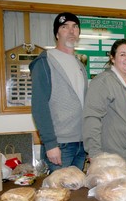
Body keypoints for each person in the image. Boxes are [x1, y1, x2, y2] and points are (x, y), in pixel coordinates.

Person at [29, 12, 88, 173]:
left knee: (77, 196)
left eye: (75, 27)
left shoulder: (79, 65)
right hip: (60, 146)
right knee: (57, 195)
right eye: (64, 27)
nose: (71, 31)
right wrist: (50, 144)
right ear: (57, 33)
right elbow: (39, 106)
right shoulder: (45, 61)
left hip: (81, 144)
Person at [83, 39, 126, 165]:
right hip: (113, 159)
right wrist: (94, 154)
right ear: (112, 58)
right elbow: (92, 118)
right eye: (122, 54)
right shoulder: (103, 82)